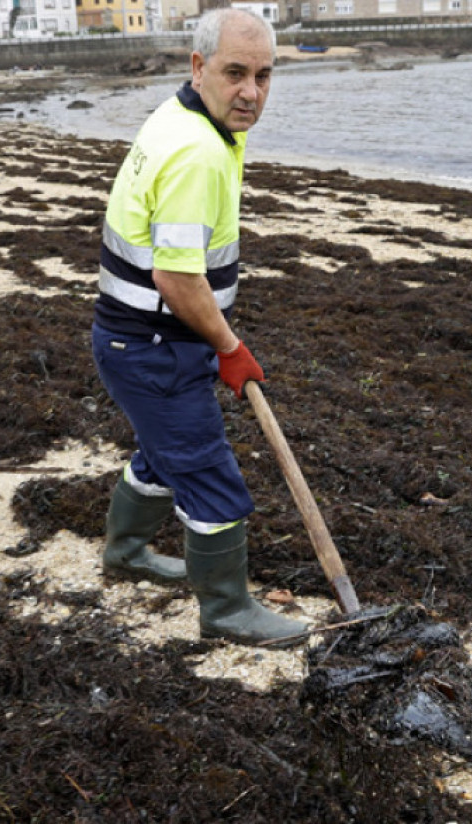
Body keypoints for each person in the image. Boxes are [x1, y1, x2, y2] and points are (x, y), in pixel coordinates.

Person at [92, 8, 307, 647]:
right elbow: (177, 279)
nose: (251, 92)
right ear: (198, 66)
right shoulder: (197, 155)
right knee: (210, 475)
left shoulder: (181, 115)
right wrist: (229, 347)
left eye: (264, 76)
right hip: (155, 346)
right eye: (235, 73)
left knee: (164, 457)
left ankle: (126, 555)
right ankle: (227, 611)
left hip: (134, 340)